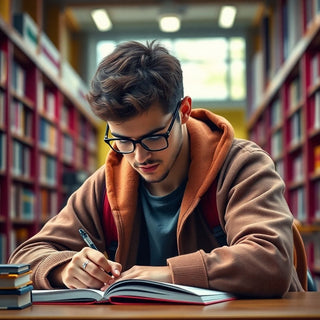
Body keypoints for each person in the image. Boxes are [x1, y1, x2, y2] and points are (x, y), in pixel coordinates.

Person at [9, 41, 305, 297]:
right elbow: (25, 257)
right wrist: (63, 268)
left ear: (184, 111)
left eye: (153, 137)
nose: (139, 157)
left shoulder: (242, 165)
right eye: (123, 140)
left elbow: (271, 261)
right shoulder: (105, 184)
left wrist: (166, 275)